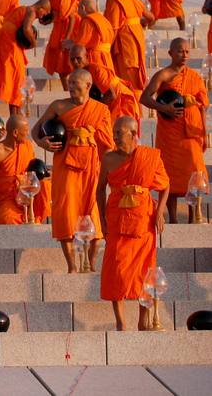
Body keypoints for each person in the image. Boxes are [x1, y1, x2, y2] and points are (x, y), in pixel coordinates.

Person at [33, 69, 114, 272]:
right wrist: (42, 143)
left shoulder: (100, 110)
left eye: (75, 83)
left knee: (95, 213)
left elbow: (108, 144)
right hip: (66, 166)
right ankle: (71, 266)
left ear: (88, 86)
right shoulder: (58, 106)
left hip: (92, 166)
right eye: (69, 83)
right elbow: (36, 130)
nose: (71, 87)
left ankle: (91, 264)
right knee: (66, 213)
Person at [98, 116, 168, 330]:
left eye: (120, 133)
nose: (115, 136)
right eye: (114, 133)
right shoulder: (109, 158)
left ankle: (143, 320)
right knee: (115, 270)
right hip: (117, 220)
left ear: (134, 134)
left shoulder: (149, 157)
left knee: (144, 271)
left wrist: (160, 212)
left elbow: (165, 185)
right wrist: (101, 219)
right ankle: (120, 322)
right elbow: (99, 189)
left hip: (143, 221)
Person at [140, 38, 208, 223]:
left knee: (194, 172)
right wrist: (164, 109)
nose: (184, 55)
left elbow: (202, 104)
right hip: (170, 132)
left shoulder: (194, 76)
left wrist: (205, 133)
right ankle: (173, 218)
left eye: (187, 52)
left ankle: (194, 216)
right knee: (168, 174)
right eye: (179, 51)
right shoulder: (163, 75)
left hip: (191, 134)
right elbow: (144, 98)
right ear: (170, 53)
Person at [0, 115, 51, 225]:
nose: (28, 134)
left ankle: (34, 217)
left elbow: (33, 172)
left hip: (28, 193)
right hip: (8, 199)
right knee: (6, 219)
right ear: (15, 133)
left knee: (47, 185)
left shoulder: (27, 145)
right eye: (25, 131)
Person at [105, 0, 152, 90]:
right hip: (138, 44)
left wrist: (106, 49)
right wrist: (141, 23)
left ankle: (133, 107)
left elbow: (113, 28)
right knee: (135, 79)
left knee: (128, 82)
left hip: (125, 46)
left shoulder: (114, 0)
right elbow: (151, 17)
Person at [37, 0, 80, 80]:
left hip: (72, 27)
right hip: (59, 27)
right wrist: (47, 21)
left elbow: (72, 18)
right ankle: (66, 89)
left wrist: (67, 38)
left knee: (70, 58)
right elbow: (57, 15)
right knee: (58, 59)